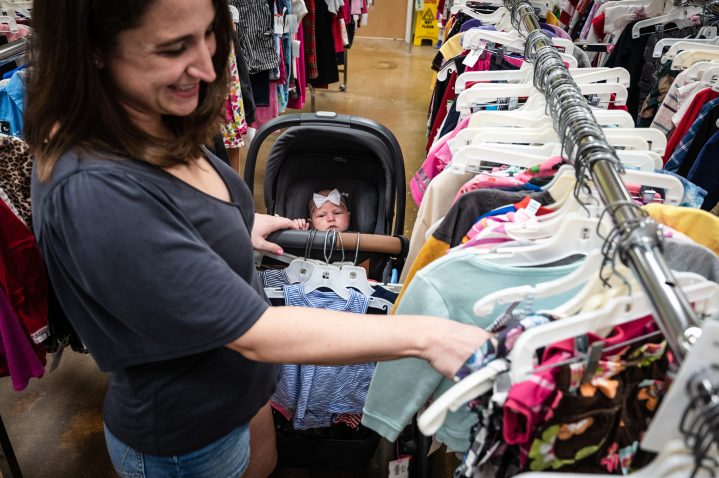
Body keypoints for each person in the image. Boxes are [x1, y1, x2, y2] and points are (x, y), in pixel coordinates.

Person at [25, 1, 492, 477]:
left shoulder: (149, 115)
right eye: (172, 49)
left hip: (241, 397)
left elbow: (162, 224)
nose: (208, 67)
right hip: (189, 436)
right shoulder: (94, 189)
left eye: (209, 34)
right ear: (93, 51)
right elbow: (254, 332)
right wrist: (426, 334)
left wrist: (232, 226)